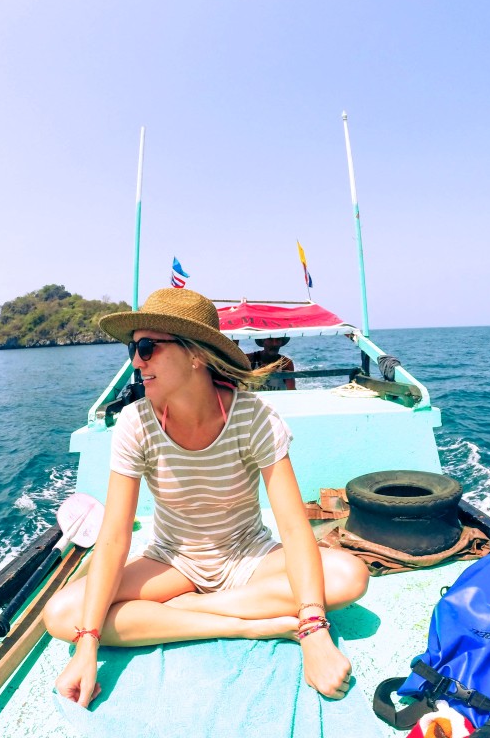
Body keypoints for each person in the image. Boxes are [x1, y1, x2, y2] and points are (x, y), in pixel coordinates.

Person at [44, 287, 369, 708]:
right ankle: (247, 624)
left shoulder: (254, 417)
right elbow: (113, 537)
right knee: (61, 616)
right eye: (133, 349)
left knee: (350, 575)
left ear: (196, 354)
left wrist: (313, 627)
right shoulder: (135, 422)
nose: (137, 362)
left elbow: (292, 526)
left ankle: (187, 613)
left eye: (148, 347)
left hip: (248, 556)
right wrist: (87, 646)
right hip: (172, 561)